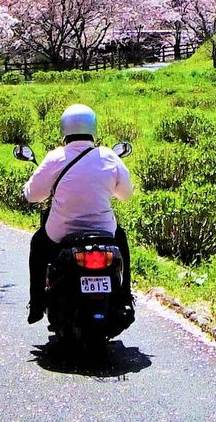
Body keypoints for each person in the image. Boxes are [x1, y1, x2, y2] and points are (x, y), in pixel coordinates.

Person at [20, 105, 136, 325]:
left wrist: (27, 190)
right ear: (93, 128)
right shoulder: (109, 156)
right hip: (104, 231)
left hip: (61, 232)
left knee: (38, 245)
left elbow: (33, 195)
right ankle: (125, 297)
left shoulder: (55, 157)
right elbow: (126, 195)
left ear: (64, 129)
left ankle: (37, 304)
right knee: (122, 241)